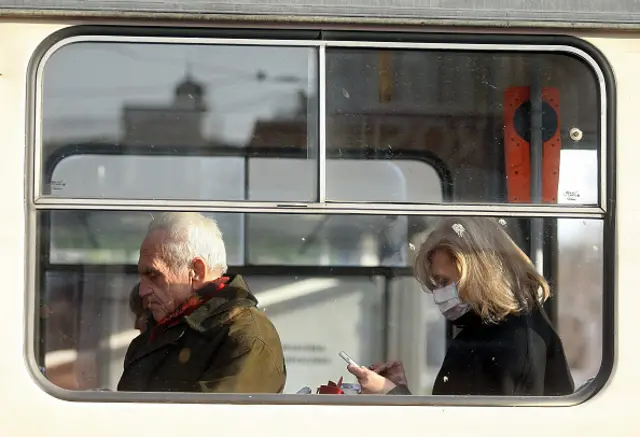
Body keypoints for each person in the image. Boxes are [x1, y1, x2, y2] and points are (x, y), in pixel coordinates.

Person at [347, 217, 574, 396]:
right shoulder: (484, 333)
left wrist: (393, 396)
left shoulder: (515, 342)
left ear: (480, 274)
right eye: (435, 284)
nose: (438, 293)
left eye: (444, 281)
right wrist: (401, 392)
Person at [117, 212, 286, 393]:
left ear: (196, 271)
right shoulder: (154, 334)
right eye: (142, 276)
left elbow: (212, 419)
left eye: (153, 275)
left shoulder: (244, 337)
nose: (142, 291)